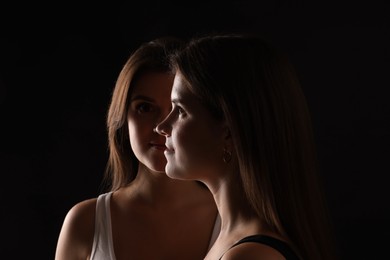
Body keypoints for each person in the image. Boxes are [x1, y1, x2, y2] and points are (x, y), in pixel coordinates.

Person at [156, 33, 338, 260]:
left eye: (181, 111)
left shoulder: (250, 255)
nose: (161, 127)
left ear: (229, 131)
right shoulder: (233, 241)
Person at [55, 37, 219, 260]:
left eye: (177, 108)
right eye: (145, 108)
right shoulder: (85, 223)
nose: (161, 126)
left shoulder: (232, 220)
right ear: (122, 118)